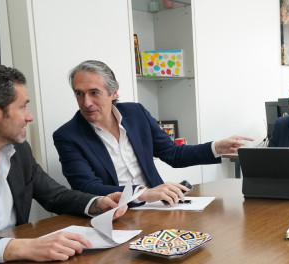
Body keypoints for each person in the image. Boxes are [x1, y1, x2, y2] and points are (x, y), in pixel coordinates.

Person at [0, 61, 128, 264]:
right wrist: (21, 247)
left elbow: (55, 196)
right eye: (23, 106)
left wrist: (97, 204)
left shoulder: (18, 150)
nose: (29, 116)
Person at [53, 60, 252, 205]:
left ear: (113, 93)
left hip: (160, 205)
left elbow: (173, 154)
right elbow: (87, 188)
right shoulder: (68, 136)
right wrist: (141, 193)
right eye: (79, 94)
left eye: (94, 93)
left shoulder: (136, 114)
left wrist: (216, 147)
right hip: (116, 214)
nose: (86, 102)